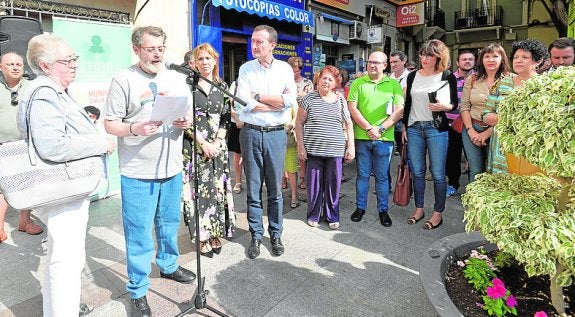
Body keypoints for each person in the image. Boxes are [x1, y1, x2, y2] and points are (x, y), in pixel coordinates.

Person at [16, 33, 114, 317]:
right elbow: (52, 145)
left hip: (64, 189)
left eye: (75, 58)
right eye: (67, 60)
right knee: (66, 261)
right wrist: (99, 143)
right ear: (46, 66)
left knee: (60, 258)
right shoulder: (45, 92)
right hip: (61, 191)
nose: (74, 64)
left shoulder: (52, 90)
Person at [104, 26, 196, 317]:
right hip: (137, 170)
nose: (157, 54)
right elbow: (109, 123)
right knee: (139, 233)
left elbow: (189, 114)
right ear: (136, 50)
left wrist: (185, 122)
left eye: (161, 48)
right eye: (150, 49)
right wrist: (135, 128)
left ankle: (168, 265)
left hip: (171, 166)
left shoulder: (177, 77)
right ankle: (138, 290)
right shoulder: (123, 79)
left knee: (169, 223)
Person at [236, 25, 297, 259]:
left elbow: (289, 101)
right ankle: (255, 235)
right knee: (253, 188)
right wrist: (275, 102)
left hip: (275, 134)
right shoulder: (245, 69)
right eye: (253, 41)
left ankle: (276, 233)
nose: (254, 46)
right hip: (251, 133)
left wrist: (258, 97)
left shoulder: (283, 69)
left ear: (272, 44)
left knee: (275, 189)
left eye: (259, 41)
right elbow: (244, 103)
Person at [182, 43, 235, 258]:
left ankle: (215, 233)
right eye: (200, 58)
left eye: (208, 58)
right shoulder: (186, 85)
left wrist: (217, 143)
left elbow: (226, 119)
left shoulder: (222, 86)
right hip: (194, 146)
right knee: (198, 192)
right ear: (194, 62)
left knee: (216, 190)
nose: (204, 62)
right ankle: (202, 236)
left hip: (217, 147)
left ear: (215, 61)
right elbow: (183, 120)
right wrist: (203, 144)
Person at [401, 39, 458, 230]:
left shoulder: (446, 75)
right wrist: (405, 127)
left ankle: (437, 213)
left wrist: (445, 107)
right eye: (422, 54)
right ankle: (419, 209)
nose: (424, 58)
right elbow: (408, 103)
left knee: (438, 173)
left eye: (429, 55)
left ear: (438, 57)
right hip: (415, 127)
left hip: (436, 128)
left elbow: (454, 104)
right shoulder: (412, 76)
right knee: (417, 171)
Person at [348, 51, 404, 228]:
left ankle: (383, 210)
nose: (372, 65)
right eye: (370, 62)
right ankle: (360, 208)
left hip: (384, 138)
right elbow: (352, 108)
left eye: (377, 62)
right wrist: (368, 128)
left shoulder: (393, 84)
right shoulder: (358, 83)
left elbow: (398, 110)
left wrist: (380, 128)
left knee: (382, 177)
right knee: (362, 175)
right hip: (362, 137)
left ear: (385, 65)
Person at [295, 66, 354, 229]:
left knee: (333, 185)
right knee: (313, 186)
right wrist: (301, 146)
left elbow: (349, 124)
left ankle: (332, 215)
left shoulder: (340, 99)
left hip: (335, 151)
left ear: (335, 83)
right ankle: (314, 214)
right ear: (318, 80)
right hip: (313, 150)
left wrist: (351, 147)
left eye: (330, 79)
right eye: (323, 78)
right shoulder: (308, 99)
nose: (326, 81)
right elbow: (298, 123)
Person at [483, 39, 547, 174]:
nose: (518, 61)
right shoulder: (502, 84)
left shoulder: (546, 86)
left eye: (525, 57)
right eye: (516, 57)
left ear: (538, 61)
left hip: (531, 148)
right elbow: (486, 114)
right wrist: (508, 119)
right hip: (501, 149)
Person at [0, 52, 43, 243]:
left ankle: (24, 222)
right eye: (10, 64)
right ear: (1, 67)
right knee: (1, 189)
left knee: (27, 184)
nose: (16, 67)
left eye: (19, 64)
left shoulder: (32, 87)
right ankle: (0, 228)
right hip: (2, 146)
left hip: (26, 144)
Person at [460, 44, 510, 182]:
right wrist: (471, 130)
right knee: (476, 171)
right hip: (472, 127)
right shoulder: (473, 79)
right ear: (481, 59)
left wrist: (488, 133)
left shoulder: (510, 80)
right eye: (487, 56)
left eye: (495, 56)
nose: (491, 59)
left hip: (498, 131)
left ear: (502, 58)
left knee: (494, 171)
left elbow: (511, 112)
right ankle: (473, 202)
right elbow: (464, 106)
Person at [446, 50, 475, 197]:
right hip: (453, 125)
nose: (467, 62)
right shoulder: (449, 78)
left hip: (473, 126)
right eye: (464, 59)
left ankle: (473, 188)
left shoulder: (479, 79)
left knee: (474, 158)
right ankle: (453, 184)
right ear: (458, 62)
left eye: (470, 59)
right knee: (452, 157)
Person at [285, 56, 313, 200]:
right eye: (293, 71)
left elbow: (312, 101)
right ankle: (285, 177)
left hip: (304, 120)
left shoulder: (307, 83)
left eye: (297, 71)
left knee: (301, 150)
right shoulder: (283, 82)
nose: (295, 73)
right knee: (286, 150)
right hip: (287, 119)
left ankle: (303, 176)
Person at [389, 50, 410, 155]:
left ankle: (405, 170)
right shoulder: (388, 78)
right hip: (389, 116)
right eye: (391, 62)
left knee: (404, 149)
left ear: (404, 61)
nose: (393, 64)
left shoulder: (410, 77)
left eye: (395, 61)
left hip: (403, 118)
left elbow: (403, 96)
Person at [227, 80, 244, 194]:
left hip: (251, 124)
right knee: (237, 154)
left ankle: (254, 182)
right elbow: (230, 105)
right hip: (236, 124)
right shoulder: (235, 84)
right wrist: (237, 120)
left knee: (251, 155)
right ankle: (238, 181)